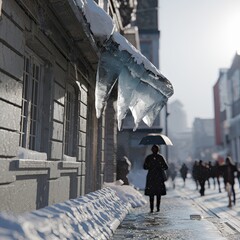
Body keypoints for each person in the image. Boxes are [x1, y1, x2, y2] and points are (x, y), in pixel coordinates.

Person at [143, 145, 168, 213]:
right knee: (157, 193)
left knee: (153, 193)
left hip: (153, 177)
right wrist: (158, 166)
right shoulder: (159, 157)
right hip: (157, 177)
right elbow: (165, 167)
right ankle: (156, 208)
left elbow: (145, 167)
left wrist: (151, 166)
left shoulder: (149, 157)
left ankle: (153, 208)